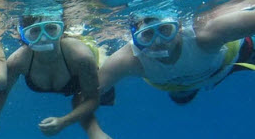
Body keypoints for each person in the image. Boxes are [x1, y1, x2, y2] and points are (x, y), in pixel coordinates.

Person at [0, 13, 117, 139]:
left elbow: (92, 98)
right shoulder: (17, 61)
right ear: (23, 35)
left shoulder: (81, 57)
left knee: (93, 92)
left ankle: (103, 50)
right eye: (35, 31)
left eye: (50, 29)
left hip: (90, 65)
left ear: (62, 30)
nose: (43, 38)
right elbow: (2, 90)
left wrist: (64, 121)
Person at [99, 6, 255, 107]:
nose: (159, 42)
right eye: (147, 35)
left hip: (233, 59)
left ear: (179, 27)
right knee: (181, 98)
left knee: (181, 98)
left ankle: (181, 95)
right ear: (135, 38)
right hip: (218, 69)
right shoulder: (128, 59)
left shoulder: (206, 35)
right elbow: (92, 92)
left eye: (166, 30)